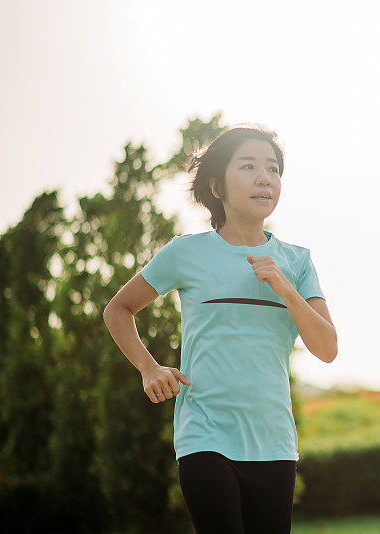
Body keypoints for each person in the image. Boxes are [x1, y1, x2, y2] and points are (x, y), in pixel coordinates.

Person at [103, 123, 338, 533]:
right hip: (205, 434)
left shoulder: (296, 262)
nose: (264, 177)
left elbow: (327, 347)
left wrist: (284, 288)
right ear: (217, 184)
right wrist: (148, 367)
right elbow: (119, 309)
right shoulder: (186, 253)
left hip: (273, 440)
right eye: (248, 166)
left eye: (273, 168)